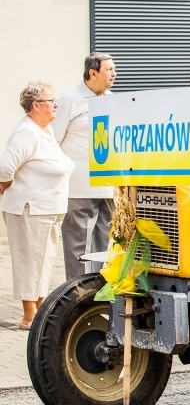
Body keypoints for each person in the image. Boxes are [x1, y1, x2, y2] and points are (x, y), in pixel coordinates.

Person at [0, 82, 74, 328]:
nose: (56, 105)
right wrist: (6, 184)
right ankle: (29, 315)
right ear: (36, 106)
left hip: (49, 208)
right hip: (30, 209)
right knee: (30, 263)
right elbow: (4, 168)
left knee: (43, 261)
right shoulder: (26, 133)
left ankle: (39, 310)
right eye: (51, 101)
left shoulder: (45, 131)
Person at [52, 52, 116, 281]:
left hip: (108, 186)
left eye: (114, 69)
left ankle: (97, 291)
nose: (114, 74)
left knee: (104, 246)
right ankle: (76, 292)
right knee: (77, 248)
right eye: (109, 69)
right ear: (93, 73)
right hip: (79, 187)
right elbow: (53, 140)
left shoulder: (112, 98)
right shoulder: (69, 99)